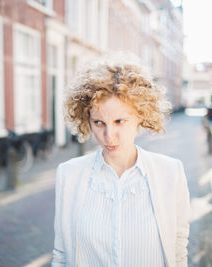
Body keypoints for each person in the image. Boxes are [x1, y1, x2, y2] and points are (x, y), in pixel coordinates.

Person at [52, 59, 191, 267]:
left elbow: (178, 249)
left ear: (140, 116)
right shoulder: (68, 175)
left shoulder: (171, 173)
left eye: (120, 121)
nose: (109, 136)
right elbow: (61, 255)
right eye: (98, 123)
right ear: (86, 120)